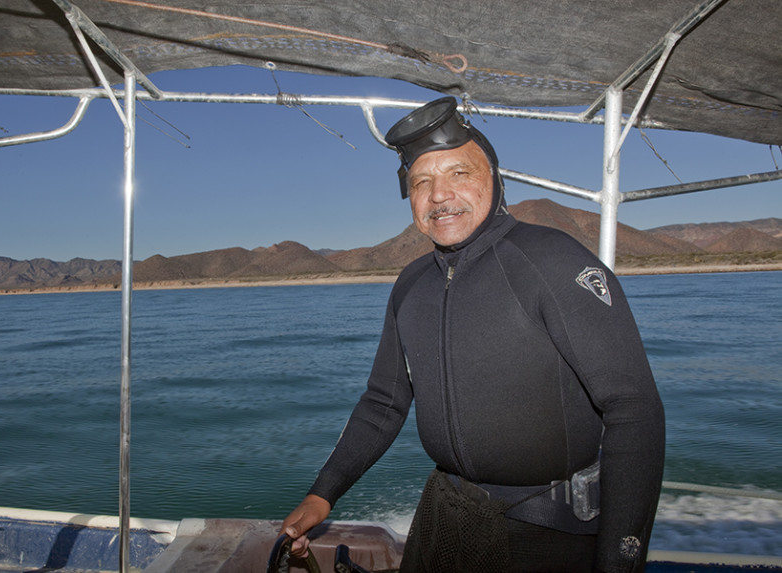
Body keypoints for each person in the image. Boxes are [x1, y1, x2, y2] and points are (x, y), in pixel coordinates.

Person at [280, 97, 665, 572]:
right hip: (446, 516)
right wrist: (323, 492)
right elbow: (384, 403)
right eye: (422, 182)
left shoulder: (552, 260)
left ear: (495, 180)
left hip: (547, 531)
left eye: (459, 173)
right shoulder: (410, 285)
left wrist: (621, 560)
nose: (439, 195)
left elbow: (633, 407)